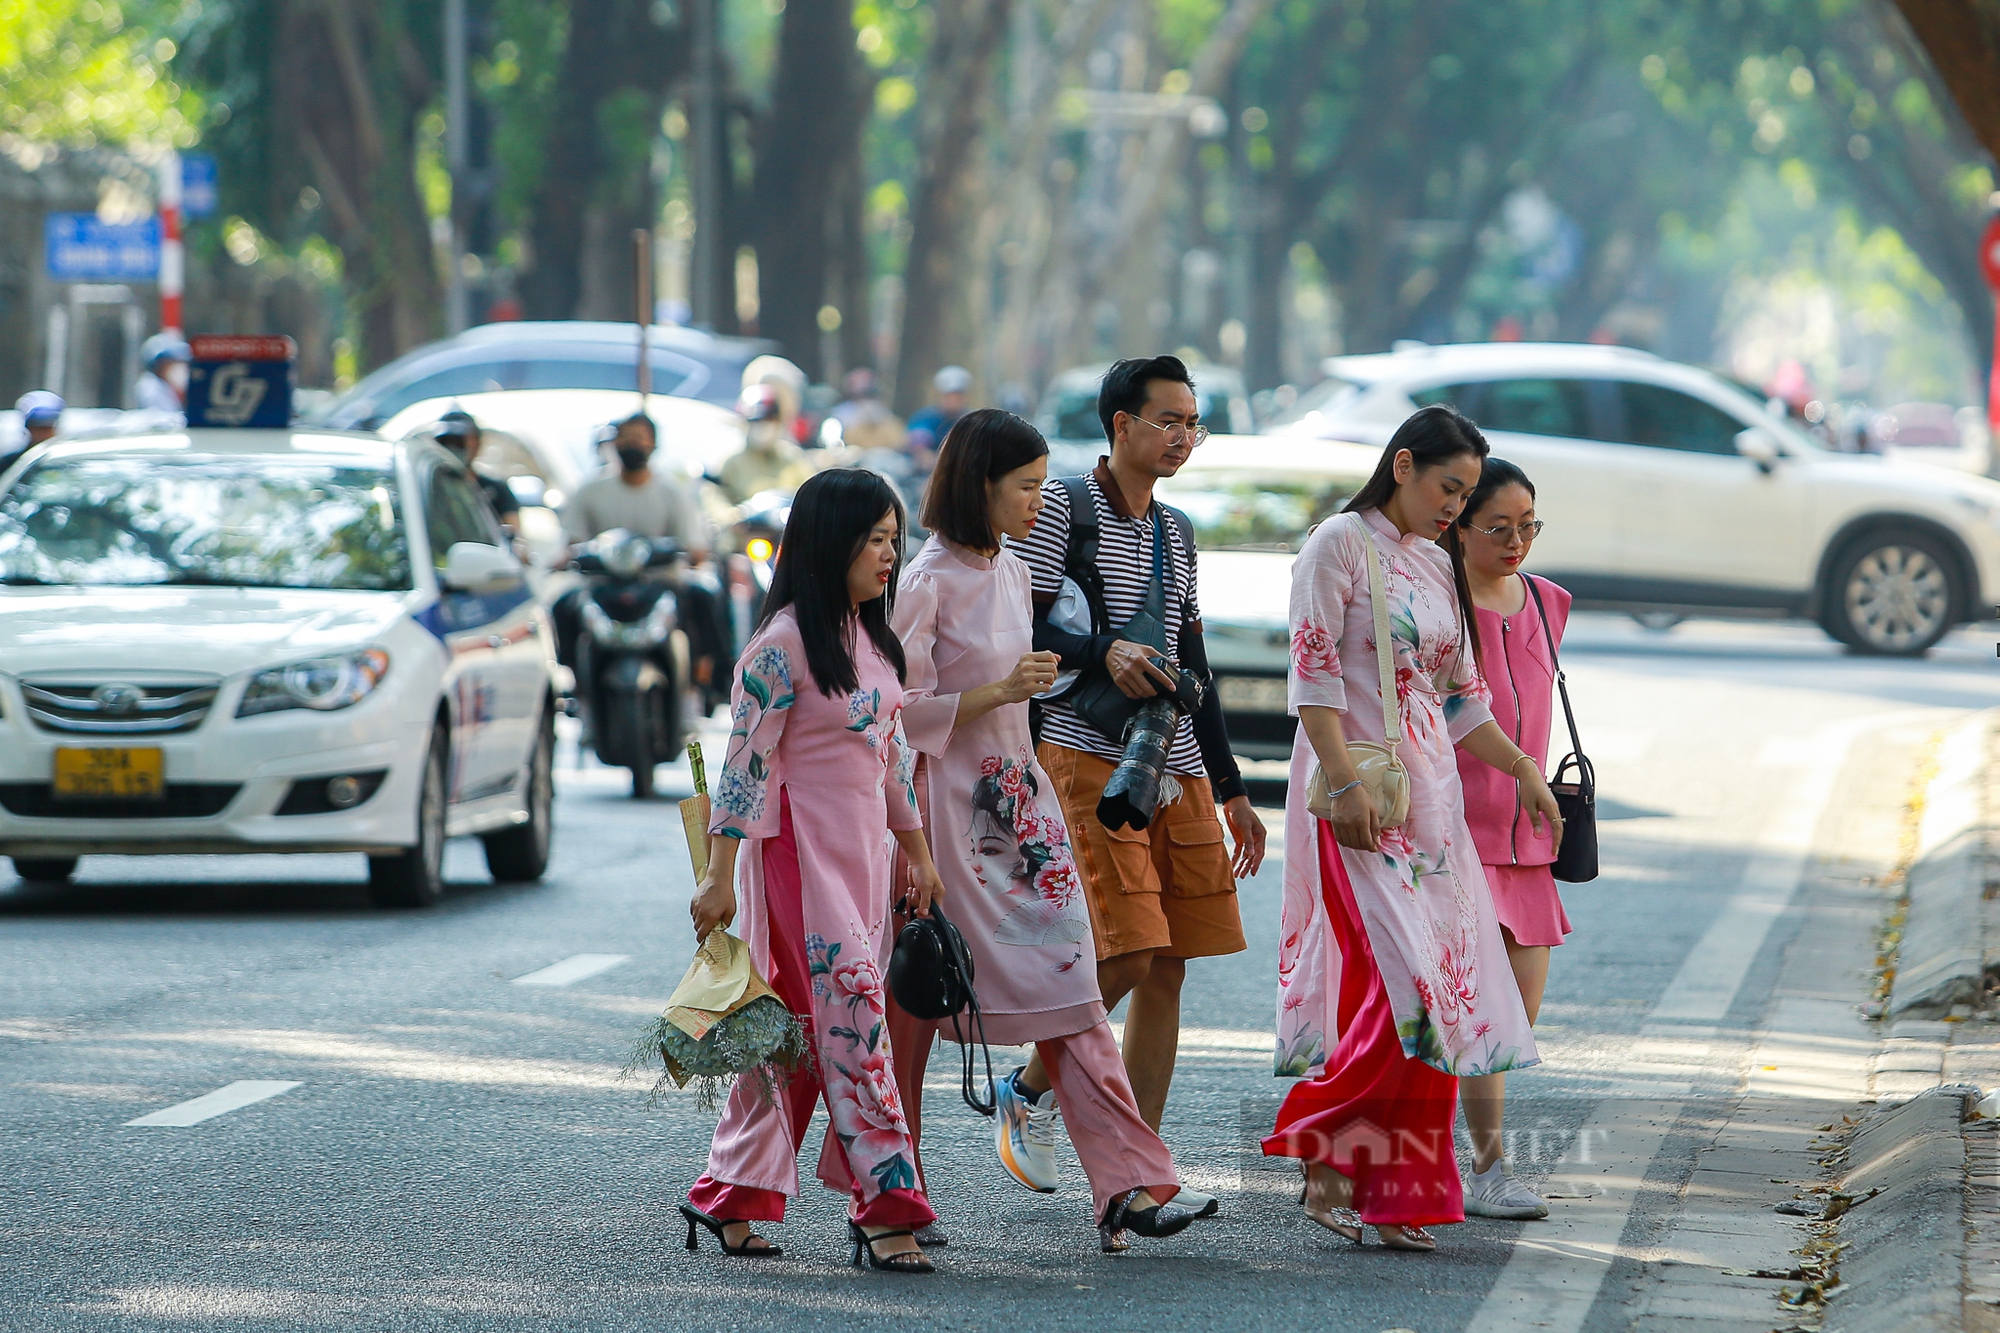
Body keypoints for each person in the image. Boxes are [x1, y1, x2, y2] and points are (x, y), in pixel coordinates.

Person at [887, 408, 1210, 1252]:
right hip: (949, 818)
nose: (1040, 501)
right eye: (1026, 486)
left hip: (1021, 808)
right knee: (916, 1007)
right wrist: (999, 690)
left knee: (1075, 990)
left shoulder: (1006, 570)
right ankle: (892, 1201)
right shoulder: (928, 579)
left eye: (1040, 484)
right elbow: (897, 715)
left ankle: (1128, 1186)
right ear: (979, 485)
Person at [1262, 405, 1560, 1252]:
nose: (1454, 509)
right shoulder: (1336, 545)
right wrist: (1345, 782)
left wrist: (1525, 771)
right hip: (1357, 795)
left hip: (1431, 805)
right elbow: (1313, 681)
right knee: (1406, 993)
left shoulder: (1435, 563)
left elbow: (1463, 700)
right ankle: (1327, 1147)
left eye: (1465, 494)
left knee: (1447, 989)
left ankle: (1392, 1192)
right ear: (1402, 466)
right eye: (1448, 487)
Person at [1013, 356, 1266, 1211]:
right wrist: (1100, 652)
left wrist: (1232, 787)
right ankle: (1028, 1088)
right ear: (1120, 424)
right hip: (1088, 752)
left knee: (1171, 969)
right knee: (1127, 952)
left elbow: (1193, 661)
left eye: (1193, 423)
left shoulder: (1179, 530)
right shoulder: (1061, 509)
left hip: (1178, 762)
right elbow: (1021, 617)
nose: (1183, 437)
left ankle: (1140, 1173)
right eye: (1167, 421)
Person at [683, 467, 948, 1275]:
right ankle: (888, 1203)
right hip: (799, 862)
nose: (889, 555)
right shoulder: (783, 644)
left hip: (864, 861)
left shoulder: (875, 639)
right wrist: (719, 874)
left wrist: (921, 856)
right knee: (854, 1020)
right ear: (831, 541)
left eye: (894, 539)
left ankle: (733, 1190)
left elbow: (894, 761)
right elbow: (743, 766)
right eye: (874, 539)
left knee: (794, 1036)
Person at [1452, 457, 1570, 1220]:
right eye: (1499, 528)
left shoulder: (1550, 601)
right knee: (1468, 1014)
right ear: (1458, 525)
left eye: (1529, 526)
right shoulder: (1436, 601)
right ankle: (1483, 1168)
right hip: (1451, 833)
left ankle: (1468, 1165)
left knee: (1510, 1020)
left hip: (1529, 838)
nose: (1516, 541)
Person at [560, 414, 711, 558]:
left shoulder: (673, 494)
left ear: (652, 444)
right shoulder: (590, 491)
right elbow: (573, 541)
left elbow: (693, 546)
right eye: (625, 437)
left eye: (638, 438)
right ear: (615, 442)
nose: (631, 443)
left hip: (660, 580)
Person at [719, 385, 815, 505]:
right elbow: (716, 497)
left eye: (768, 420)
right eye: (756, 422)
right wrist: (729, 516)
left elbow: (812, 494)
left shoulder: (792, 459)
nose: (762, 427)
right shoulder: (732, 464)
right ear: (744, 424)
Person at [434, 410, 520, 535]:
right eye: (446, 441)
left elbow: (513, 532)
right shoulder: (432, 488)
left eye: (460, 442)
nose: (453, 448)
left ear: (477, 443)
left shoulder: (495, 489)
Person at [905, 365, 972, 468]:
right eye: (949, 396)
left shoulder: (972, 420)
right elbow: (918, 445)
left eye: (958, 396)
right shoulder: (925, 417)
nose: (953, 401)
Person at [830, 368, 905, 452]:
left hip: (884, 454)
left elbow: (897, 438)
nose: (862, 385)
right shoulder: (840, 412)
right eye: (857, 382)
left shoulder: (880, 410)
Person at [4, 392, 63, 472]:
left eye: (47, 428)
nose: (43, 434)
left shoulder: (65, 461)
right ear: (28, 428)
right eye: (38, 428)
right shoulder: (11, 463)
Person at [134, 334, 189, 414]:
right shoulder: (151, 388)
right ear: (158, 365)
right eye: (172, 362)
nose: (179, 367)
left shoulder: (168, 388)